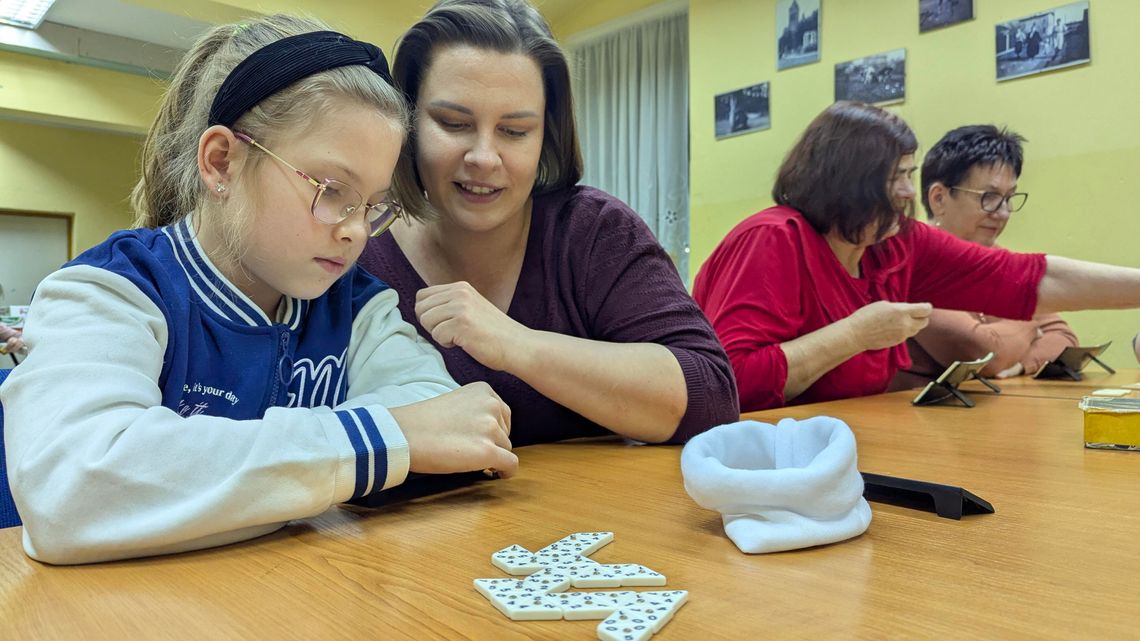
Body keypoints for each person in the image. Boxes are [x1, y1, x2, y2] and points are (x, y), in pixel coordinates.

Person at [0, 15, 518, 566]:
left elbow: (452, 422)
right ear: (221, 161)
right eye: (332, 188)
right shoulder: (111, 291)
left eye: (372, 205)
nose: (356, 230)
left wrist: (205, 480)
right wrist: (372, 441)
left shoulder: (359, 307)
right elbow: (74, 493)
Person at [358, 0, 738, 445]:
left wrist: (516, 345)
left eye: (515, 131)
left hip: (597, 512)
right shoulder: (355, 250)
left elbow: (712, 398)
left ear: (547, 136)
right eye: (453, 122)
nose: (483, 157)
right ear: (408, 122)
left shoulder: (595, 232)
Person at [693, 101, 1140, 412]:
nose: (910, 192)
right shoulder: (774, 239)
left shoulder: (896, 242)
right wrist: (854, 334)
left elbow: (1023, 277)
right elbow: (730, 382)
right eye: (895, 177)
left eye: (909, 173)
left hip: (848, 444)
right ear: (846, 183)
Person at [890, 125, 1077, 390]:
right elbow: (981, 353)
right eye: (989, 197)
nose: (1002, 213)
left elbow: (1064, 336)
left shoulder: (998, 256)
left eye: (1009, 198)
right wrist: (1030, 326)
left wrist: (1023, 363)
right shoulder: (913, 263)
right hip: (912, 417)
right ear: (939, 198)